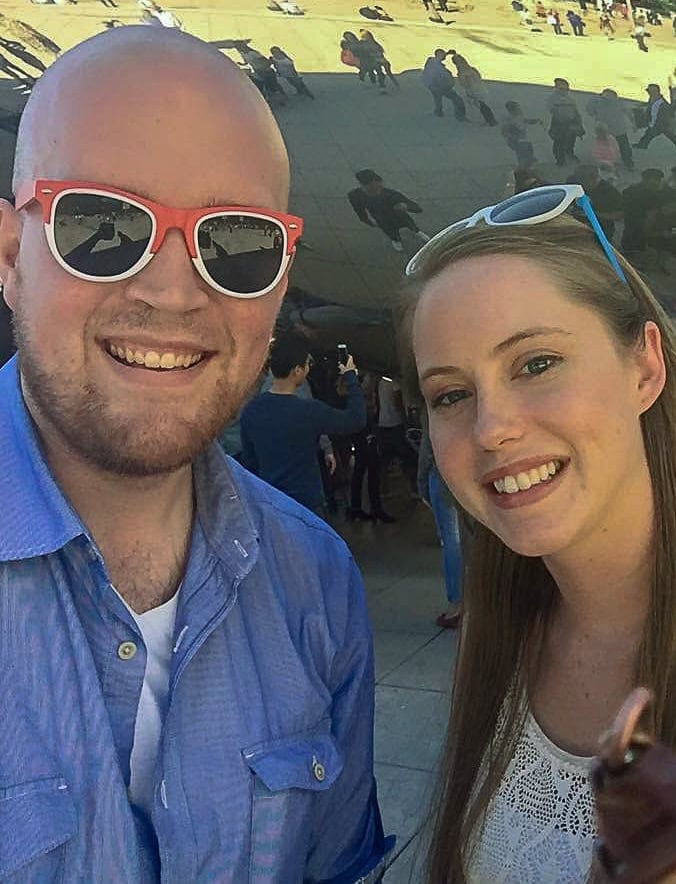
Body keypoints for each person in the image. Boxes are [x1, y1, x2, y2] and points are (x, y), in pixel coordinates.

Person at [0, 26, 391, 880]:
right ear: (9, 252)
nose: (173, 291)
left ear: (280, 281)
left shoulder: (316, 583)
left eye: (236, 246)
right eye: (103, 226)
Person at [403, 186, 674, 881]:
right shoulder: (500, 643)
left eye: (536, 363)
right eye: (451, 395)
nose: (492, 428)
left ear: (644, 366)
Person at [240, 332, 366, 514]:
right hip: (306, 504)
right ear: (297, 371)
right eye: (307, 365)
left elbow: (250, 464)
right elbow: (356, 420)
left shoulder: (251, 411)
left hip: (272, 504)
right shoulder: (308, 411)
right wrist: (350, 375)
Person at [348, 169, 430, 252]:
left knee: (410, 224)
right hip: (382, 219)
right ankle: (396, 240)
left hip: (398, 216)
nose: (378, 190)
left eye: (378, 186)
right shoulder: (356, 196)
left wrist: (406, 206)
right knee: (390, 232)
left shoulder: (391, 194)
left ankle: (417, 232)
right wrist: (368, 221)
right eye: (373, 188)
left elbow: (417, 208)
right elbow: (359, 211)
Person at [621, 167, 676, 256]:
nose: (658, 184)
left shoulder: (665, 193)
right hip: (639, 240)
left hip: (656, 240)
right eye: (655, 181)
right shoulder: (635, 194)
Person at [567, 163, 623, 240]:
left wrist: (593, 214)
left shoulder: (610, 193)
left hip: (601, 229)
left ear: (595, 179)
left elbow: (619, 215)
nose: (580, 185)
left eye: (584, 181)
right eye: (579, 180)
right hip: (576, 226)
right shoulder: (573, 182)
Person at [586, 87, 634, 170]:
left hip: (610, 127)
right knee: (619, 145)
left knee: (620, 145)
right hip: (608, 128)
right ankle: (623, 161)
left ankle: (622, 161)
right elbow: (629, 113)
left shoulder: (596, 101)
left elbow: (590, 112)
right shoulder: (618, 102)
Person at [450, 53, 497, 126]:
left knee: (481, 106)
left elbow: (464, 84)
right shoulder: (471, 68)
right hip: (479, 87)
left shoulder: (462, 72)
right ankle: (490, 120)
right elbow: (479, 77)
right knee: (482, 105)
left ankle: (491, 120)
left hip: (474, 90)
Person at [547, 77, 584, 165]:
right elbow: (552, 111)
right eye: (561, 88)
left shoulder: (570, 99)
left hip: (571, 123)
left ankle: (569, 154)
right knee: (558, 142)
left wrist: (579, 122)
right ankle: (560, 160)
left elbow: (576, 111)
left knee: (571, 140)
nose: (564, 91)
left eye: (566, 89)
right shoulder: (552, 98)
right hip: (559, 124)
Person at [421, 49, 467, 120]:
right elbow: (442, 75)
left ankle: (438, 113)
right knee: (457, 100)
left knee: (438, 100)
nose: (444, 57)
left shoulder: (432, 62)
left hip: (435, 86)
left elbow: (440, 57)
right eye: (443, 55)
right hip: (440, 87)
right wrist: (447, 83)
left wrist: (448, 53)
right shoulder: (436, 65)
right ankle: (460, 117)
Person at [635, 83, 676, 150]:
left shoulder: (662, 103)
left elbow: (667, 114)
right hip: (656, 124)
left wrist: (655, 124)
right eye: (649, 91)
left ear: (656, 91)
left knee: (671, 136)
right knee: (648, 135)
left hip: (661, 124)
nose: (649, 93)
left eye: (651, 91)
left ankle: (642, 145)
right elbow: (650, 109)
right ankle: (642, 145)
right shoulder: (652, 99)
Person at [501, 100, 541, 167]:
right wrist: (512, 137)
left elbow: (525, 120)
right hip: (515, 140)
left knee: (528, 146)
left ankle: (529, 162)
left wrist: (535, 120)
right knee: (522, 151)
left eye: (518, 107)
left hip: (521, 139)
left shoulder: (519, 116)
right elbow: (504, 131)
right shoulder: (509, 119)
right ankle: (525, 164)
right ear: (512, 110)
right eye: (517, 108)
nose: (519, 109)